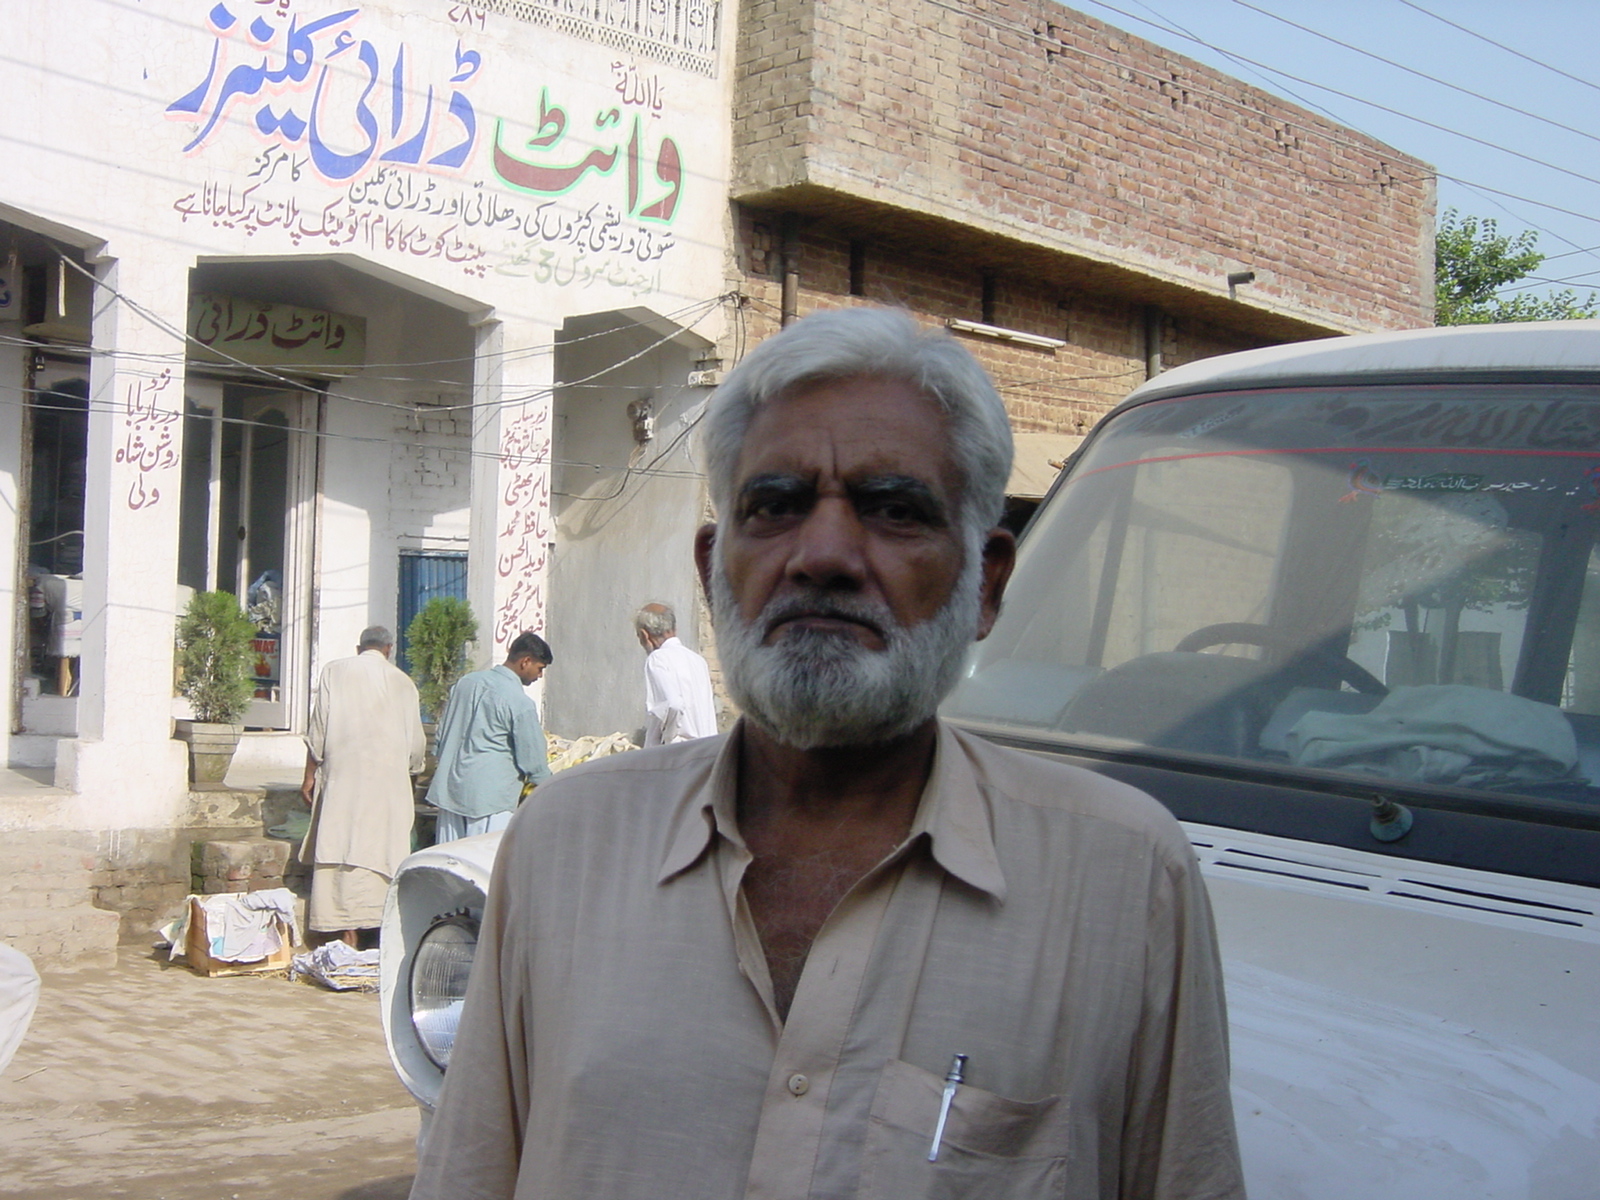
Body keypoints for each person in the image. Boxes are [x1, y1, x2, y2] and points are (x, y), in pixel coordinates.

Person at [411, 308, 1245, 1199]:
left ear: (986, 585)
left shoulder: (1124, 878)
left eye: (894, 510)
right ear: (710, 571)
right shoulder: (563, 847)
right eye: (775, 507)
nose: (824, 554)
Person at [298, 626, 425, 948]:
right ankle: (373, 931)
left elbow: (318, 731)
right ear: (388, 649)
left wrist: (309, 775)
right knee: (379, 849)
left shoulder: (335, 672)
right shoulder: (403, 682)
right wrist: (410, 779)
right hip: (388, 785)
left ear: (360, 648)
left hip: (344, 781)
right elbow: (416, 748)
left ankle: (345, 932)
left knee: (341, 845)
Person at [425, 631, 553, 843]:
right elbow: (533, 761)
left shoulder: (465, 684)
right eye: (539, 669)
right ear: (525, 662)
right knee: (483, 869)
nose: (539, 675)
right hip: (489, 803)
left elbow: (441, 737)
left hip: (450, 795)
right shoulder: (519, 702)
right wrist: (552, 787)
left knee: (449, 866)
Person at [634, 602, 717, 744]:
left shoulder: (657, 659)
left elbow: (673, 704)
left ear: (644, 635)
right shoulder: (697, 660)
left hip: (679, 754)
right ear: (674, 629)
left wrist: (668, 740)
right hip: (706, 749)